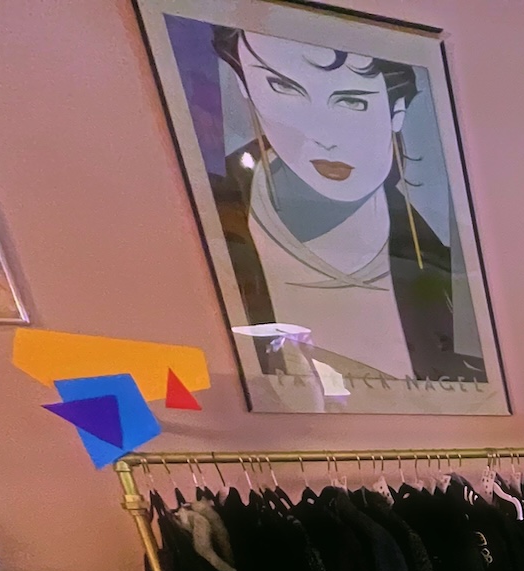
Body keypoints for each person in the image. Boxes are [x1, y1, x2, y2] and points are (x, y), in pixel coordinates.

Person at [202, 27, 485, 389]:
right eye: (284, 88)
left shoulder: (445, 269)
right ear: (245, 88)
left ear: (396, 109)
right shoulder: (211, 230)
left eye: (352, 101)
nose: (323, 136)